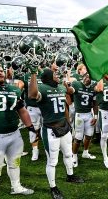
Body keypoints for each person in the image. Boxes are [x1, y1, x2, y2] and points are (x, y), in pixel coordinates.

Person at [28, 68, 84, 199]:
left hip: (64, 126)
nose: (57, 75)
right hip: (50, 129)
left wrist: (67, 84)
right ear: (48, 77)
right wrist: (33, 73)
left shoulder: (60, 87)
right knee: (52, 161)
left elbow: (69, 95)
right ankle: (53, 187)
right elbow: (32, 94)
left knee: (68, 154)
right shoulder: (41, 88)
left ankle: (70, 175)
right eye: (54, 74)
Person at [0, 63, 34, 198]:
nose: (0, 73)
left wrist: (30, 127)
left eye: (1, 70)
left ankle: (16, 187)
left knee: (15, 163)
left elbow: (21, 110)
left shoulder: (13, 89)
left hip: (14, 134)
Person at [70, 72, 98, 168]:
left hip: (89, 114)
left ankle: (85, 152)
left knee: (89, 135)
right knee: (78, 137)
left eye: (89, 77)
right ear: (83, 77)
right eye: (86, 77)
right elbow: (70, 91)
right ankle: (74, 156)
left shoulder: (93, 88)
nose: (87, 79)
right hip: (79, 115)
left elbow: (95, 103)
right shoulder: (76, 84)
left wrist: (95, 116)